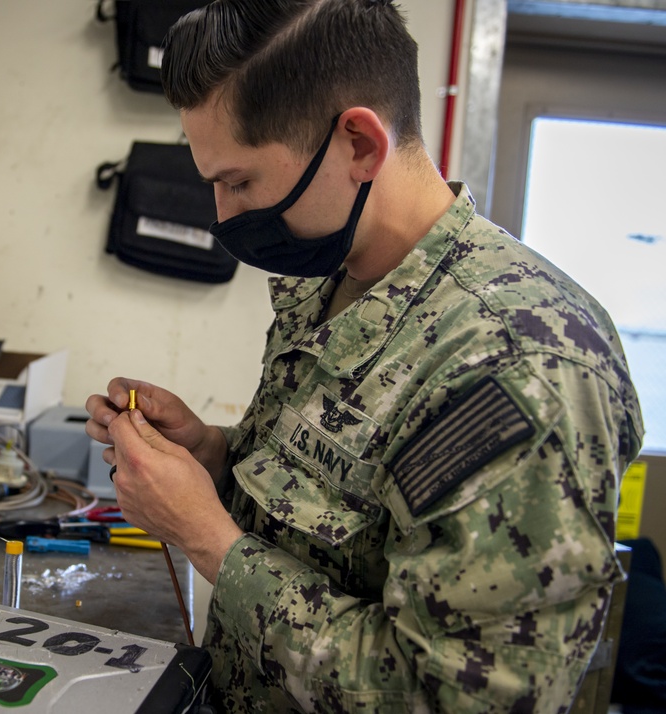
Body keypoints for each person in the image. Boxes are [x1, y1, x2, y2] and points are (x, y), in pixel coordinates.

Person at [85, 1, 644, 711]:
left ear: (358, 144)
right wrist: (213, 457)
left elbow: (459, 701)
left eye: (241, 182)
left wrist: (206, 538)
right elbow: (335, 513)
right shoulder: (329, 278)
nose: (224, 218)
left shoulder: (519, 367)